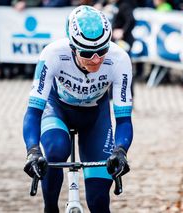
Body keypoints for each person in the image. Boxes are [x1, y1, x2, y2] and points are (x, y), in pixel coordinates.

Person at [22, 5, 133, 213]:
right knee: (55, 150)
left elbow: (124, 119)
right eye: (88, 53)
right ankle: (50, 208)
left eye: (102, 51)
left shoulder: (119, 59)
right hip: (57, 111)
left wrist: (120, 150)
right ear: (73, 47)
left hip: (95, 118)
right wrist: (32, 151)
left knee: (99, 199)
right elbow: (34, 111)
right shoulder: (53, 54)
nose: (96, 59)